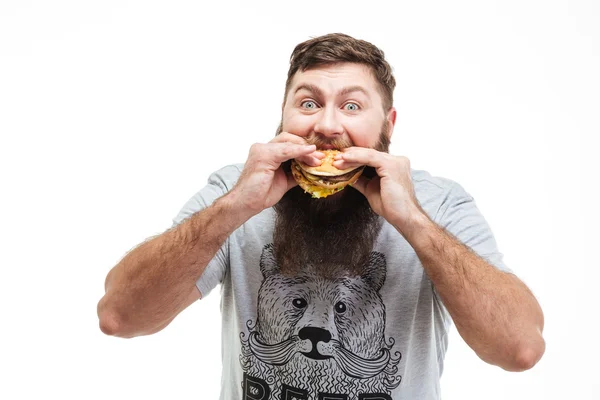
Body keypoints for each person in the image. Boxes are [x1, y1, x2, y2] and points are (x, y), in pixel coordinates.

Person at [97, 33, 545, 399]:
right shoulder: (235, 192)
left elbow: (520, 349)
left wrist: (414, 222)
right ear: (284, 117)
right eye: (308, 103)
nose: (328, 127)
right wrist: (236, 206)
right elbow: (120, 316)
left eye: (352, 107)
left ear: (387, 124)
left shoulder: (439, 202)